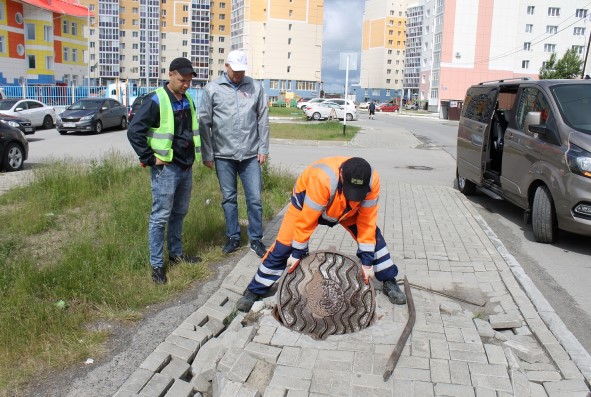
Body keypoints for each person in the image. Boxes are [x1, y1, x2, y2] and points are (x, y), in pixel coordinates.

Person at [236, 156, 407, 312]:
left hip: (347, 211)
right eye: (351, 192)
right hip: (307, 205)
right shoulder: (323, 178)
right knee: (283, 247)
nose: (355, 198)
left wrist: (367, 262)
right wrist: (297, 253)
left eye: (358, 194)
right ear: (341, 176)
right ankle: (255, 289)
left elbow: (367, 222)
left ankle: (389, 281)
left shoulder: (372, 181)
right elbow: (307, 221)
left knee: (374, 241)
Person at [127, 57, 202, 284]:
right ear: (170, 75)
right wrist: (150, 158)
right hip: (166, 170)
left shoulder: (187, 98)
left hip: (185, 167)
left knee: (179, 214)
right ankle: (157, 266)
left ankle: (176, 255)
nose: (186, 84)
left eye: (189, 80)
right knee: (160, 218)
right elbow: (134, 131)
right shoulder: (156, 100)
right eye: (182, 80)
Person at [199, 50, 270, 258]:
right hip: (223, 155)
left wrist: (263, 148)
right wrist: (207, 153)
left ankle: (256, 239)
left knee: (255, 199)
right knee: (229, 198)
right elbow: (204, 122)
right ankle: (233, 237)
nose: (238, 74)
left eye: (242, 71)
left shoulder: (255, 87)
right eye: (235, 70)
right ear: (226, 66)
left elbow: (262, 119)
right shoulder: (212, 89)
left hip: (250, 155)